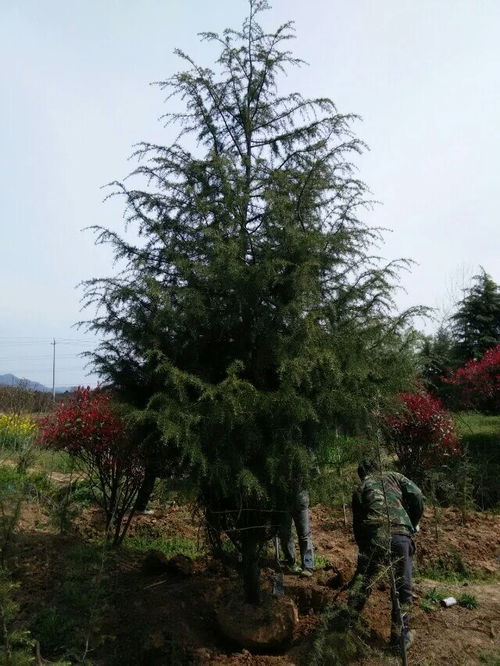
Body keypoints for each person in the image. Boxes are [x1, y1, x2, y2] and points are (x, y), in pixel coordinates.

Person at [348, 459, 424, 650]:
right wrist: (412, 522)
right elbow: (417, 494)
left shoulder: (361, 487)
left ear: (362, 474)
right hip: (400, 534)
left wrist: (364, 554)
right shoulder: (394, 476)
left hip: (375, 537)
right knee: (402, 587)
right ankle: (400, 638)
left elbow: (358, 525)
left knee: (363, 582)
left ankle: (346, 623)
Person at [279, 488, 315, 577]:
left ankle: (308, 566)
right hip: (283, 500)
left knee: (304, 534)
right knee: (285, 534)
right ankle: (290, 561)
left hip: (301, 500)